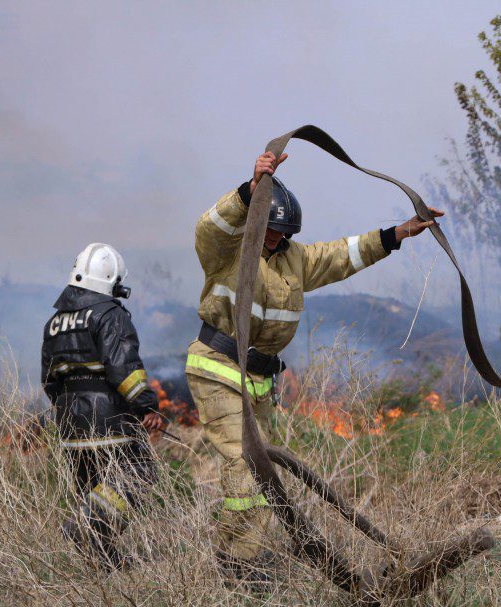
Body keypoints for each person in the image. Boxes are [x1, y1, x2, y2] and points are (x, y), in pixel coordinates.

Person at [186, 151, 442, 585]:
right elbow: (209, 225)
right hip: (217, 368)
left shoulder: (295, 259)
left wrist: (399, 232)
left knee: (257, 472)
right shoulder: (227, 249)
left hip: (258, 381)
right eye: (269, 229)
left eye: (282, 233)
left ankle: (239, 557)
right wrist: (250, 190)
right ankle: (240, 567)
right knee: (247, 471)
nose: (274, 239)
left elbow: (343, 255)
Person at [41, 243, 165, 570]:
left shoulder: (54, 324)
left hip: (71, 429)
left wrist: (68, 412)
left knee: (94, 491)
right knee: (139, 473)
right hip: (111, 423)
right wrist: (146, 407)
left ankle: (106, 566)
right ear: (111, 281)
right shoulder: (111, 315)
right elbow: (124, 369)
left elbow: (49, 382)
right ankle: (81, 527)